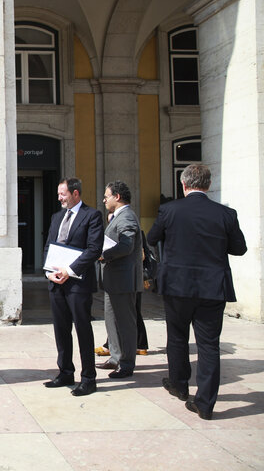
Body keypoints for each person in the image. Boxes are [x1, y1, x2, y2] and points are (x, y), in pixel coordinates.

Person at [147, 164, 246, 420]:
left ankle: (180, 386)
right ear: (208, 185)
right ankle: (204, 403)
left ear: (183, 185)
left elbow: (152, 237)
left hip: (177, 286)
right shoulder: (226, 213)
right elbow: (239, 248)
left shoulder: (169, 210)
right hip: (213, 288)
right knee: (209, 345)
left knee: (177, 337)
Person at [43, 178, 103, 396]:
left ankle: (88, 378)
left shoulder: (92, 215)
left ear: (75, 193)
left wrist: (69, 270)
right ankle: (65, 372)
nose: (59, 197)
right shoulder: (56, 217)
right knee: (61, 329)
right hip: (57, 283)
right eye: (59, 194)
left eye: (63, 194)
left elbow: (94, 249)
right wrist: (49, 272)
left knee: (83, 330)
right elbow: (49, 246)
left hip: (78, 283)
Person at [98, 180, 142, 379]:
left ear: (117, 197)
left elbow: (126, 246)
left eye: (107, 196)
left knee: (125, 322)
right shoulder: (117, 217)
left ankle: (127, 363)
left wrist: (104, 255)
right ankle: (116, 357)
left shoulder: (127, 217)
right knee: (111, 320)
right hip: (113, 280)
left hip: (123, 280)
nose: (104, 199)